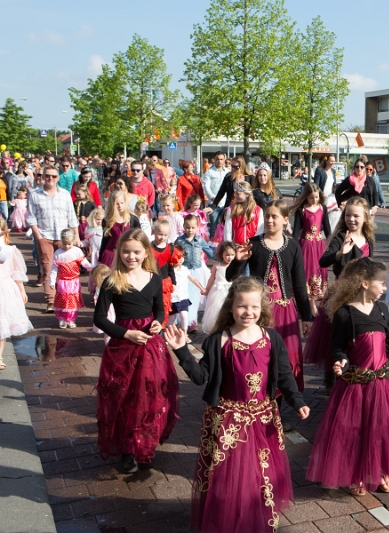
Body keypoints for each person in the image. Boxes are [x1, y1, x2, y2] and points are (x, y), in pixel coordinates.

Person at [163, 276, 309, 533]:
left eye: (254, 307)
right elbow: (200, 377)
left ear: (262, 308)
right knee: (229, 475)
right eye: (242, 306)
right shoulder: (218, 340)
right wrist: (182, 351)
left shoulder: (272, 338)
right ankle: (228, 518)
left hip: (263, 418)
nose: (248, 312)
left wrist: (297, 401)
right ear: (231, 307)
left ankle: (254, 517)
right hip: (228, 420)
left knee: (259, 474)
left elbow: (284, 375)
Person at [306, 258, 389, 496]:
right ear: (365, 283)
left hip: (384, 383)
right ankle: (357, 473)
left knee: (384, 429)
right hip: (356, 384)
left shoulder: (382, 309)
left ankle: (380, 471)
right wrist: (341, 361)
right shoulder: (344, 314)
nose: (385, 288)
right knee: (356, 429)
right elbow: (337, 347)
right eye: (381, 283)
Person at [93, 228, 179, 474]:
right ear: (119, 252)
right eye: (126, 251)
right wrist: (126, 334)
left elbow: (160, 309)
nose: (131, 256)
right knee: (126, 396)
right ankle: (128, 450)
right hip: (124, 345)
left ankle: (144, 442)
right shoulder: (112, 280)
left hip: (150, 345)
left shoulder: (153, 278)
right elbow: (99, 318)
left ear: (145, 253)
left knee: (150, 395)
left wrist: (157, 322)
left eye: (136, 252)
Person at [228, 200, 313, 392]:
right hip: (261, 311)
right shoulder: (254, 243)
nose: (269, 220)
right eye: (267, 216)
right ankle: (261, 403)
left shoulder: (293, 246)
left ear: (285, 219)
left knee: (283, 360)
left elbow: (299, 285)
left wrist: (306, 317)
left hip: (285, 312)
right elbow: (231, 277)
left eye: (274, 216)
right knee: (260, 356)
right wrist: (237, 261)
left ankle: (278, 409)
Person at [304, 198, 375, 389]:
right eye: (348, 215)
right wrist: (340, 253)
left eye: (356, 215)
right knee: (336, 335)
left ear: (365, 218)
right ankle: (332, 376)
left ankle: (355, 370)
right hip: (341, 293)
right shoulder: (341, 237)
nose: (351, 219)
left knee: (357, 335)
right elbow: (323, 261)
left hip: (360, 294)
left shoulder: (368, 240)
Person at [27, 165, 81, 312]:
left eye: (53, 176)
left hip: (64, 237)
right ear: (42, 176)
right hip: (45, 236)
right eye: (47, 175)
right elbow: (31, 218)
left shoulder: (64, 194)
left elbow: (72, 216)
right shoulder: (35, 195)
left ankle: (63, 298)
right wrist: (38, 236)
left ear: (58, 178)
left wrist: (76, 236)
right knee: (48, 268)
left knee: (65, 269)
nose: (50, 178)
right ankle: (50, 300)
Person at [291, 184, 331, 315]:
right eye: (311, 198)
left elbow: (327, 228)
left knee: (320, 271)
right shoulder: (301, 210)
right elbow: (296, 230)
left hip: (319, 245)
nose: (314, 200)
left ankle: (317, 300)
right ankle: (311, 303)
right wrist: (293, 246)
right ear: (306, 197)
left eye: (316, 197)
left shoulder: (322, 208)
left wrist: (332, 243)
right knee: (308, 272)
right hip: (306, 245)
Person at [0, 217, 33, 370]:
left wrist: (22, 290)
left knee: (3, 324)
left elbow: (16, 272)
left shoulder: (11, 250)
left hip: (5, 288)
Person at [175, 215, 214, 333]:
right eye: (187, 227)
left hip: (197, 271)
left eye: (192, 227)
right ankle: (183, 321)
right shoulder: (180, 241)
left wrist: (221, 257)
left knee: (195, 297)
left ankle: (192, 322)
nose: (190, 230)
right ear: (183, 227)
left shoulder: (200, 240)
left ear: (197, 227)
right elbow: (176, 254)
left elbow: (209, 252)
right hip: (184, 271)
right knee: (184, 295)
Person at [50, 228, 91, 329]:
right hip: (63, 281)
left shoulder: (77, 251)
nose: (67, 246)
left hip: (74, 281)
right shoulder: (58, 253)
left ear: (73, 241)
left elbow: (84, 263)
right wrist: (51, 280)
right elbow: (54, 268)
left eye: (69, 244)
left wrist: (92, 267)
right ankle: (62, 319)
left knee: (73, 300)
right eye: (65, 244)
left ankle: (71, 319)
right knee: (63, 299)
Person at [169, 246, 207, 339]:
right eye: (178, 257)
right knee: (172, 320)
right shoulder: (169, 270)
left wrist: (201, 288)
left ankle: (184, 334)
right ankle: (170, 335)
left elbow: (193, 279)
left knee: (184, 316)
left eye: (182, 257)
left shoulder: (184, 269)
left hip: (183, 297)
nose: (181, 259)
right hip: (172, 299)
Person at [99, 190, 142, 267]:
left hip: (128, 255)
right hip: (111, 254)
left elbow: (140, 239)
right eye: (117, 204)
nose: (120, 206)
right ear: (112, 205)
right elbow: (105, 240)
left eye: (122, 203)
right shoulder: (107, 220)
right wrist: (100, 258)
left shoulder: (133, 219)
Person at [201, 241, 235, 334]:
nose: (230, 257)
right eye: (227, 255)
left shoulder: (235, 266)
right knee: (216, 310)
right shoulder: (217, 265)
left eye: (232, 254)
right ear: (222, 254)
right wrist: (207, 289)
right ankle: (217, 328)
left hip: (230, 292)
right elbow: (211, 279)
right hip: (217, 292)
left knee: (229, 310)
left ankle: (229, 327)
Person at [151, 219, 178, 324]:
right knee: (152, 304)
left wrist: (174, 282)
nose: (162, 237)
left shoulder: (170, 248)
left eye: (165, 235)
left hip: (165, 283)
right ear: (154, 232)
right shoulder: (149, 247)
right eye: (160, 234)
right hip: (152, 281)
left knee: (163, 305)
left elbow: (170, 267)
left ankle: (161, 326)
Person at [223, 181, 264, 246]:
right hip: (236, 246)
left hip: (252, 246)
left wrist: (255, 243)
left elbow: (260, 229)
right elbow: (227, 230)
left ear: (247, 194)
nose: (235, 195)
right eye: (235, 193)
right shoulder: (231, 209)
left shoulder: (258, 210)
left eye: (238, 193)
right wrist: (229, 245)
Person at [202, 152, 228, 236]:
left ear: (224, 160)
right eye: (217, 159)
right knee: (214, 227)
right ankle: (213, 246)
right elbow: (206, 186)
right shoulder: (209, 172)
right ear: (214, 159)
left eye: (221, 159)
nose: (219, 161)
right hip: (214, 204)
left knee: (226, 226)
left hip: (225, 204)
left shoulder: (228, 172)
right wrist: (212, 197)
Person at [90, 264, 114, 345]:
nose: (94, 282)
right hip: (108, 312)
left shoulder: (104, 286)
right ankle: (109, 346)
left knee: (110, 331)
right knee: (108, 331)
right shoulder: (100, 288)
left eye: (95, 279)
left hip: (110, 311)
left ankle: (110, 346)